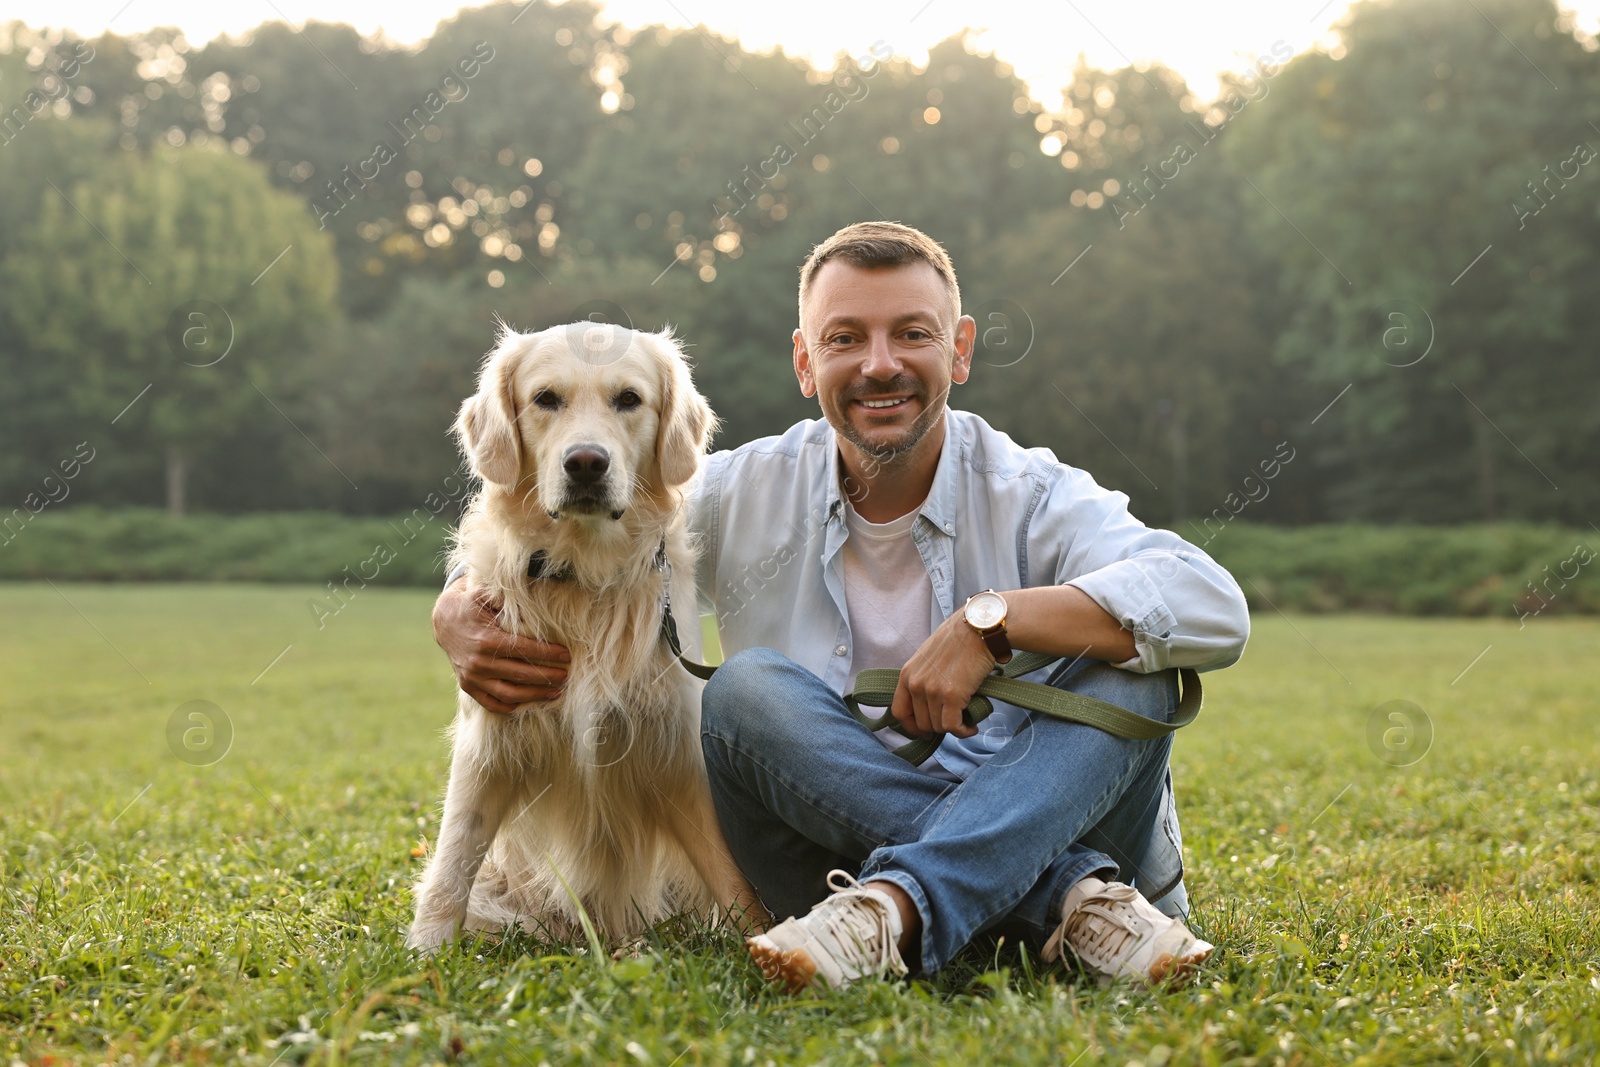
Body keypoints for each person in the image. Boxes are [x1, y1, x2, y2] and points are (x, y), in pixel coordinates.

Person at [432, 221, 1250, 991]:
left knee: (1143, 667)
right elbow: (580, 529)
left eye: (914, 334)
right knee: (746, 691)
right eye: (846, 338)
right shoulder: (736, 491)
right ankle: (1075, 904)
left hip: (897, 882)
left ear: (960, 350)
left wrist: (991, 623)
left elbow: (1211, 603)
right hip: (828, 856)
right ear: (805, 361)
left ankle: (890, 909)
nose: (880, 364)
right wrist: (457, 608)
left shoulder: (1032, 492)